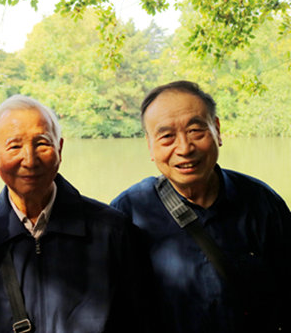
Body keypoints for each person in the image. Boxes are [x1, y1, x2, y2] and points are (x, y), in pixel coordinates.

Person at [0, 95, 155, 333]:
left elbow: (141, 320)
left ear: (59, 149)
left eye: (42, 143)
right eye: (14, 146)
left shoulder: (112, 232)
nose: (30, 160)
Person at [111, 80, 291, 333]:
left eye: (196, 130)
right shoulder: (128, 214)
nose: (184, 148)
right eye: (167, 136)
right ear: (150, 146)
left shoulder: (262, 203)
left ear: (217, 130)